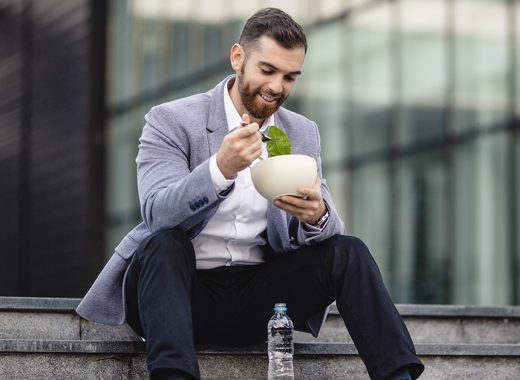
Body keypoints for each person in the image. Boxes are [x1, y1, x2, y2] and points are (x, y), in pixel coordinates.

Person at [76, 7, 423, 380]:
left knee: (348, 250)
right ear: (238, 57)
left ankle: (397, 376)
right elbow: (157, 214)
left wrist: (317, 216)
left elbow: (329, 224)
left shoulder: (301, 132)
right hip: (176, 294)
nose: (277, 87)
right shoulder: (171, 120)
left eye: (290, 77)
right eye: (268, 70)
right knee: (164, 244)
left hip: (259, 300)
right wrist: (220, 168)